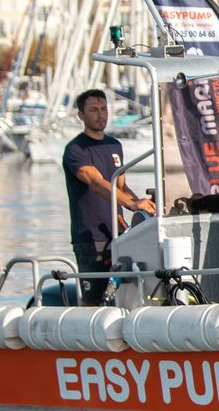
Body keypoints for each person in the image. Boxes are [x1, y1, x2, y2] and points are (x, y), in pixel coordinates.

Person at [63, 88, 156, 305]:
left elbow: (121, 185)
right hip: (91, 237)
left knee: (126, 293)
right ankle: (85, 336)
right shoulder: (75, 149)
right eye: (94, 110)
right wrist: (132, 204)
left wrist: (145, 206)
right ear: (81, 115)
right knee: (93, 300)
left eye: (104, 109)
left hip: (120, 234)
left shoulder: (114, 145)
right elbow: (95, 182)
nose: (100, 114)